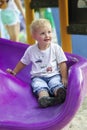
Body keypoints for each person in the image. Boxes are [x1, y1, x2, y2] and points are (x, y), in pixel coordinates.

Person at [7, 18, 68, 108]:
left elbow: (62, 63)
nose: (47, 35)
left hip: (53, 75)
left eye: (49, 32)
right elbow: (23, 62)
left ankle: (59, 94)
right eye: (42, 33)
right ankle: (44, 98)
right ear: (34, 36)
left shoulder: (56, 48)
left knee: (55, 83)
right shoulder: (31, 50)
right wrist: (14, 72)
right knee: (39, 87)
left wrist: (64, 77)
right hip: (38, 77)